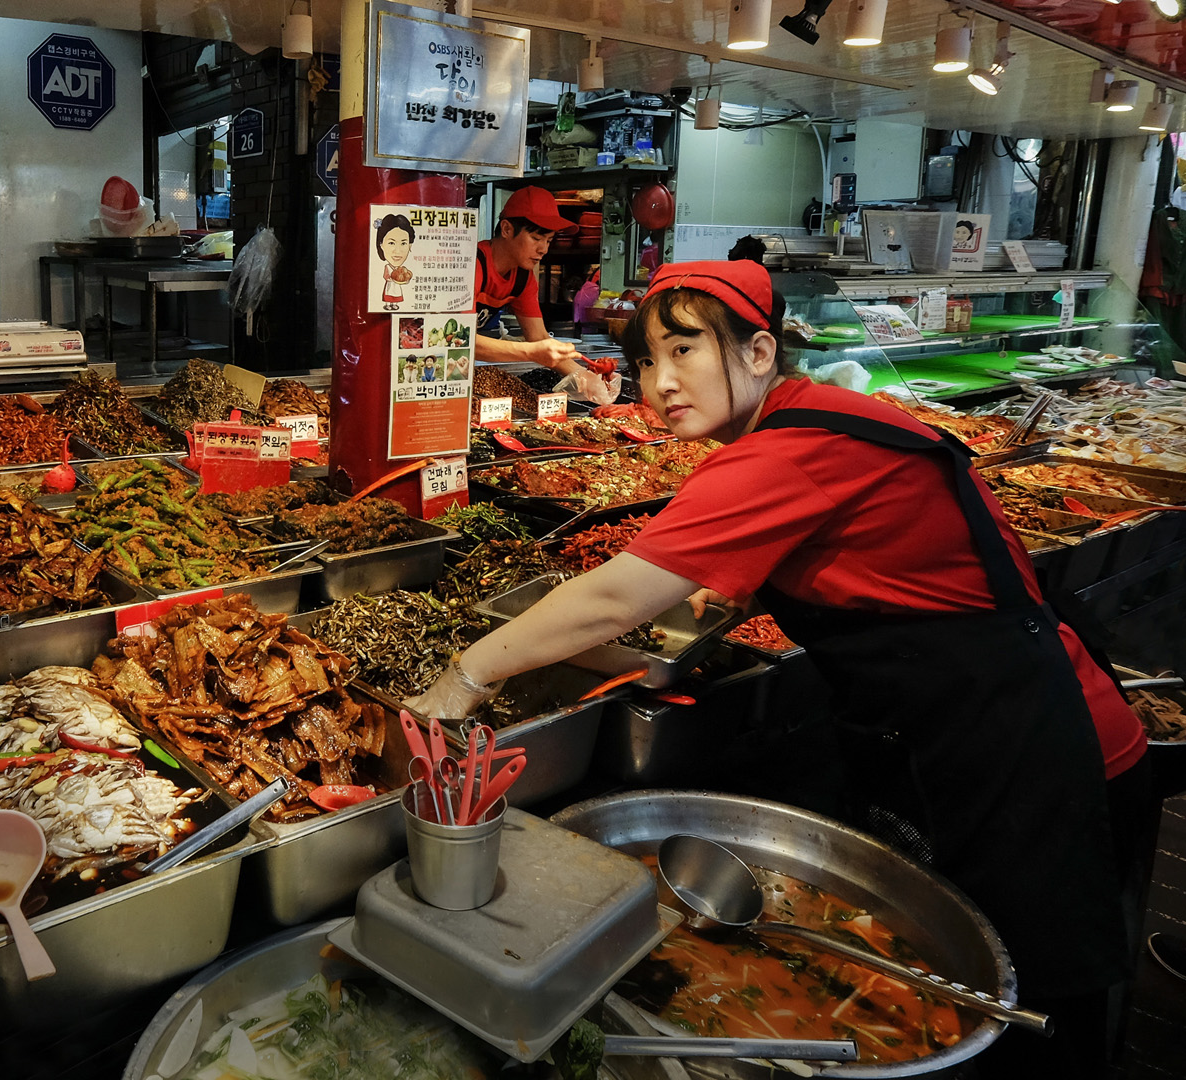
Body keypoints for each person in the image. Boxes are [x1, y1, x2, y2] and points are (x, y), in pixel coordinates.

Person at [408, 258, 1151, 1078]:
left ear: (760, 353)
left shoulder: (794, 448)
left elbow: (615, 599)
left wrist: (470, 675)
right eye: (647, 360)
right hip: (975, 722)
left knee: (1022, 1012)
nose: (659, 383)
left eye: (684, 351)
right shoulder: (810, 420)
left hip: (1030, 743)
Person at [475, 186, 610, 401]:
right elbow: (458, 341)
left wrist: (585, 377)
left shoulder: (523, 277)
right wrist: (530, 352)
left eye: (549, 240)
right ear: (507, 229)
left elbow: (538, 337)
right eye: (537, 238)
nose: (544, 250)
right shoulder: (473, 265)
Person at [376, 214, 414, 310]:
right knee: (389, 293)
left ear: (410, 245)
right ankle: (388, 304)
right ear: (381, 245)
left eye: (403, 243)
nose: (397, 251)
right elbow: (385, 275)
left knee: (396, 293)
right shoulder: (387, 267)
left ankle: (394, 304)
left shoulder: (401, 269)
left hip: (396, 285)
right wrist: (391, 279)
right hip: (390, 283)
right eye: (391, 243)